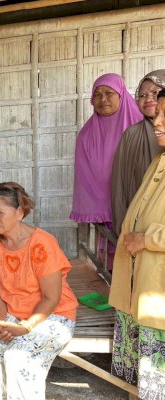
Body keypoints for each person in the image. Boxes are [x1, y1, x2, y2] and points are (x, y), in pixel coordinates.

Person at [0, 182, 78, 400]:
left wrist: (25, 327)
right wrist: (1, 323)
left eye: (0, 212)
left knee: (18, 358)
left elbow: (52, 298)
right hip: (12, 313)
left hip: (53, 315)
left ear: (20, 213)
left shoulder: (42, 243)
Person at [108, 89, 165, 400]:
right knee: (144, 384)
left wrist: (147, 239)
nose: (156, 121)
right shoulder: (160, 160)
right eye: (158, 113)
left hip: (158, 294)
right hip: (139, 285)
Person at [70, 73, 143, 225]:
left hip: (138, 208)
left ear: (121, 95)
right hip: (102, 216)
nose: (103, 99)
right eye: (97, 94)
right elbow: (84, 181)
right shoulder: (86, 135)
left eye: (109, 93)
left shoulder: (141, 126)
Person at [111, 70, 165, 234]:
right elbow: (118, 182)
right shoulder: (131, 135)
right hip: (135, 227)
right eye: (142, 95)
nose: (148, 99)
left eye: (155, 93)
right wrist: (122, 224)